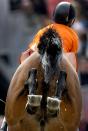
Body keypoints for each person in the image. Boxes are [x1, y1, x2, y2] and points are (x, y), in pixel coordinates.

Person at [20, 1, 79, 71]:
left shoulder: (43, 30)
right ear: (71, 20)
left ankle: (30, 74)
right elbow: (73, 55)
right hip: (61, 62)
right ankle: (64, 78)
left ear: (54, 16)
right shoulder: (73, 34)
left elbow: (32, 48)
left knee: (25, 54)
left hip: (39, 58)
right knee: (72, 58)